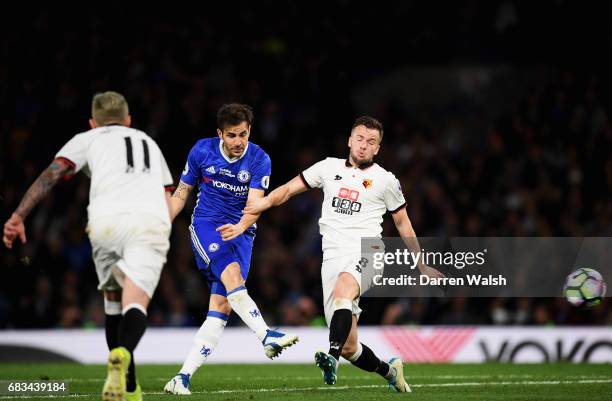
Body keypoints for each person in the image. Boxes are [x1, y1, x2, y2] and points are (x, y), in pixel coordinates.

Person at [244, 116, 445, 392]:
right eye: (360, 139)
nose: (364, 146)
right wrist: (258, 205)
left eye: (371, 142)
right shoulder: (328, 168)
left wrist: (421, 265)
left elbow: (403, 222)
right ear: (350, 140)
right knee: (352, 346)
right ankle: (390, 371)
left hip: (368, 250)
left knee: (343, 293)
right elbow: (289, 190)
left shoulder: (386, 180)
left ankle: (331, 359)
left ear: (377, 149)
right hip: (333, 257)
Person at [2, 91, 174, 401]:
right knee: (135, 303)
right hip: (148, 221)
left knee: (113, 303)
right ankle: (123, 354)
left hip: (104, 222)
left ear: (93, 122)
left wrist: (18, 216)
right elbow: (167, 195)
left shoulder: (87, 138)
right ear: (129, 120)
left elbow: (51, 174)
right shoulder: (149, 141)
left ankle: (129, 386)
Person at [163, 103, 298, 395]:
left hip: (242, 234)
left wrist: (241, 226)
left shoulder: (260, 158)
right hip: (207, 225)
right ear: (220, 134)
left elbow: (256, 204)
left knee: (222, 307)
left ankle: (181, 377)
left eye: (243, 134)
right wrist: (162, 222)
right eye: (232, 135)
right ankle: (266, 335)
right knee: (233, 274)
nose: (238, 142)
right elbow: (182, 193)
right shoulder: (202, 151)